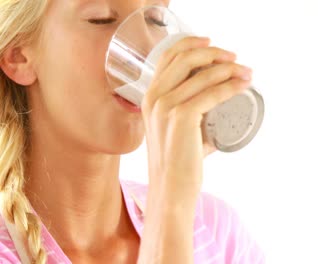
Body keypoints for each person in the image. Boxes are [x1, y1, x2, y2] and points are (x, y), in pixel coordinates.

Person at [0, 0, 265, 263]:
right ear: (18, 55)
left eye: (155, 20)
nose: (149, 47)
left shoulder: (217, 233)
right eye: (101, 19)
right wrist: (169, 205)